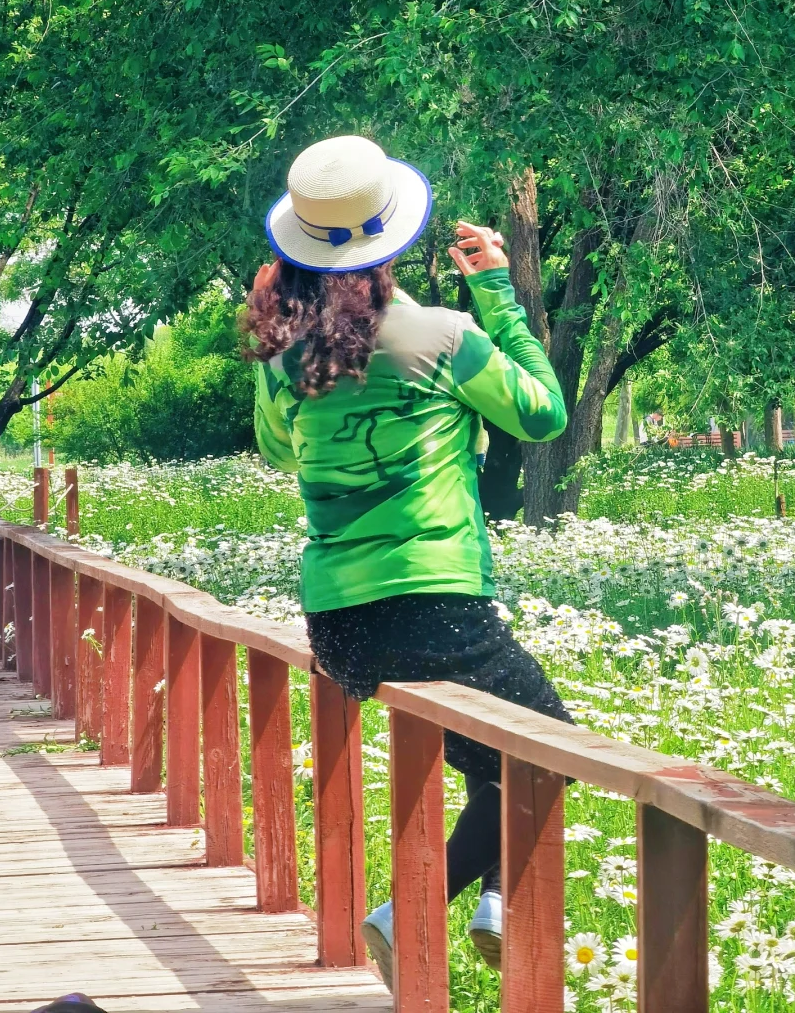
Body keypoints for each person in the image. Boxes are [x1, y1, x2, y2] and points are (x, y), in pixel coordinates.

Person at [244, 134, 572, 987]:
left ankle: (491, 902)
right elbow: (542, 414)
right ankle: (411, 913)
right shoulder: (442, 333)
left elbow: (283, 453)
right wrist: (497, 289)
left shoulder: (285, 363)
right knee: (552, 747)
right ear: (392, 237)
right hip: (436, 605)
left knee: (493, 763)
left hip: (339, 628)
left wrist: (286, 346)